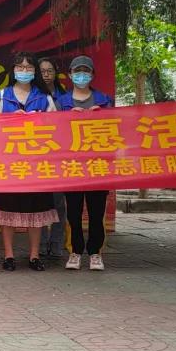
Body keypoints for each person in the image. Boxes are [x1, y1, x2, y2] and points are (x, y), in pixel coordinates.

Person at [0, 51, 59, 272]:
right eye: (20, 67)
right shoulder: (2, 96)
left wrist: (36, 122)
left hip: (36, 164)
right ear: (13, 70)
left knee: (36, 211)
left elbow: (55, 129)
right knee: (7, 209)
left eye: (29, 67)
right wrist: (11, 122)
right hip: (9, 162)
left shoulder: (44, 97)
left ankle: (34, 256)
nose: (24, 71)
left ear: (35, 71)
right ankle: (9, 255)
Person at [57, 55, 114, 271]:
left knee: (96, 213)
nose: (81, 75)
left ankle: (95, 252)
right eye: (77, 72)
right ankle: (75, 251)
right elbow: (52, 132)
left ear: (92, 75)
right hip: (71, 165)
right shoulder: (62, 102)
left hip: (97, 165)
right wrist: (66, 118)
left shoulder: (104, 100)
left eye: (86, 72)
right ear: (70, 75)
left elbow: (116, 129)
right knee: (73, 213)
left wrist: (103, 117)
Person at [36, 57, 68, 259]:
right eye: (42, 71)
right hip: (38, 156)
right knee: (39, 203)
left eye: (50, 70)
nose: (46, 74)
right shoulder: (34, 95)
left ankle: (56, 243)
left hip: (60, 156)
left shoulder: (65, 96)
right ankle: (39, 244)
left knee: (59, 203)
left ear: (56, 72)